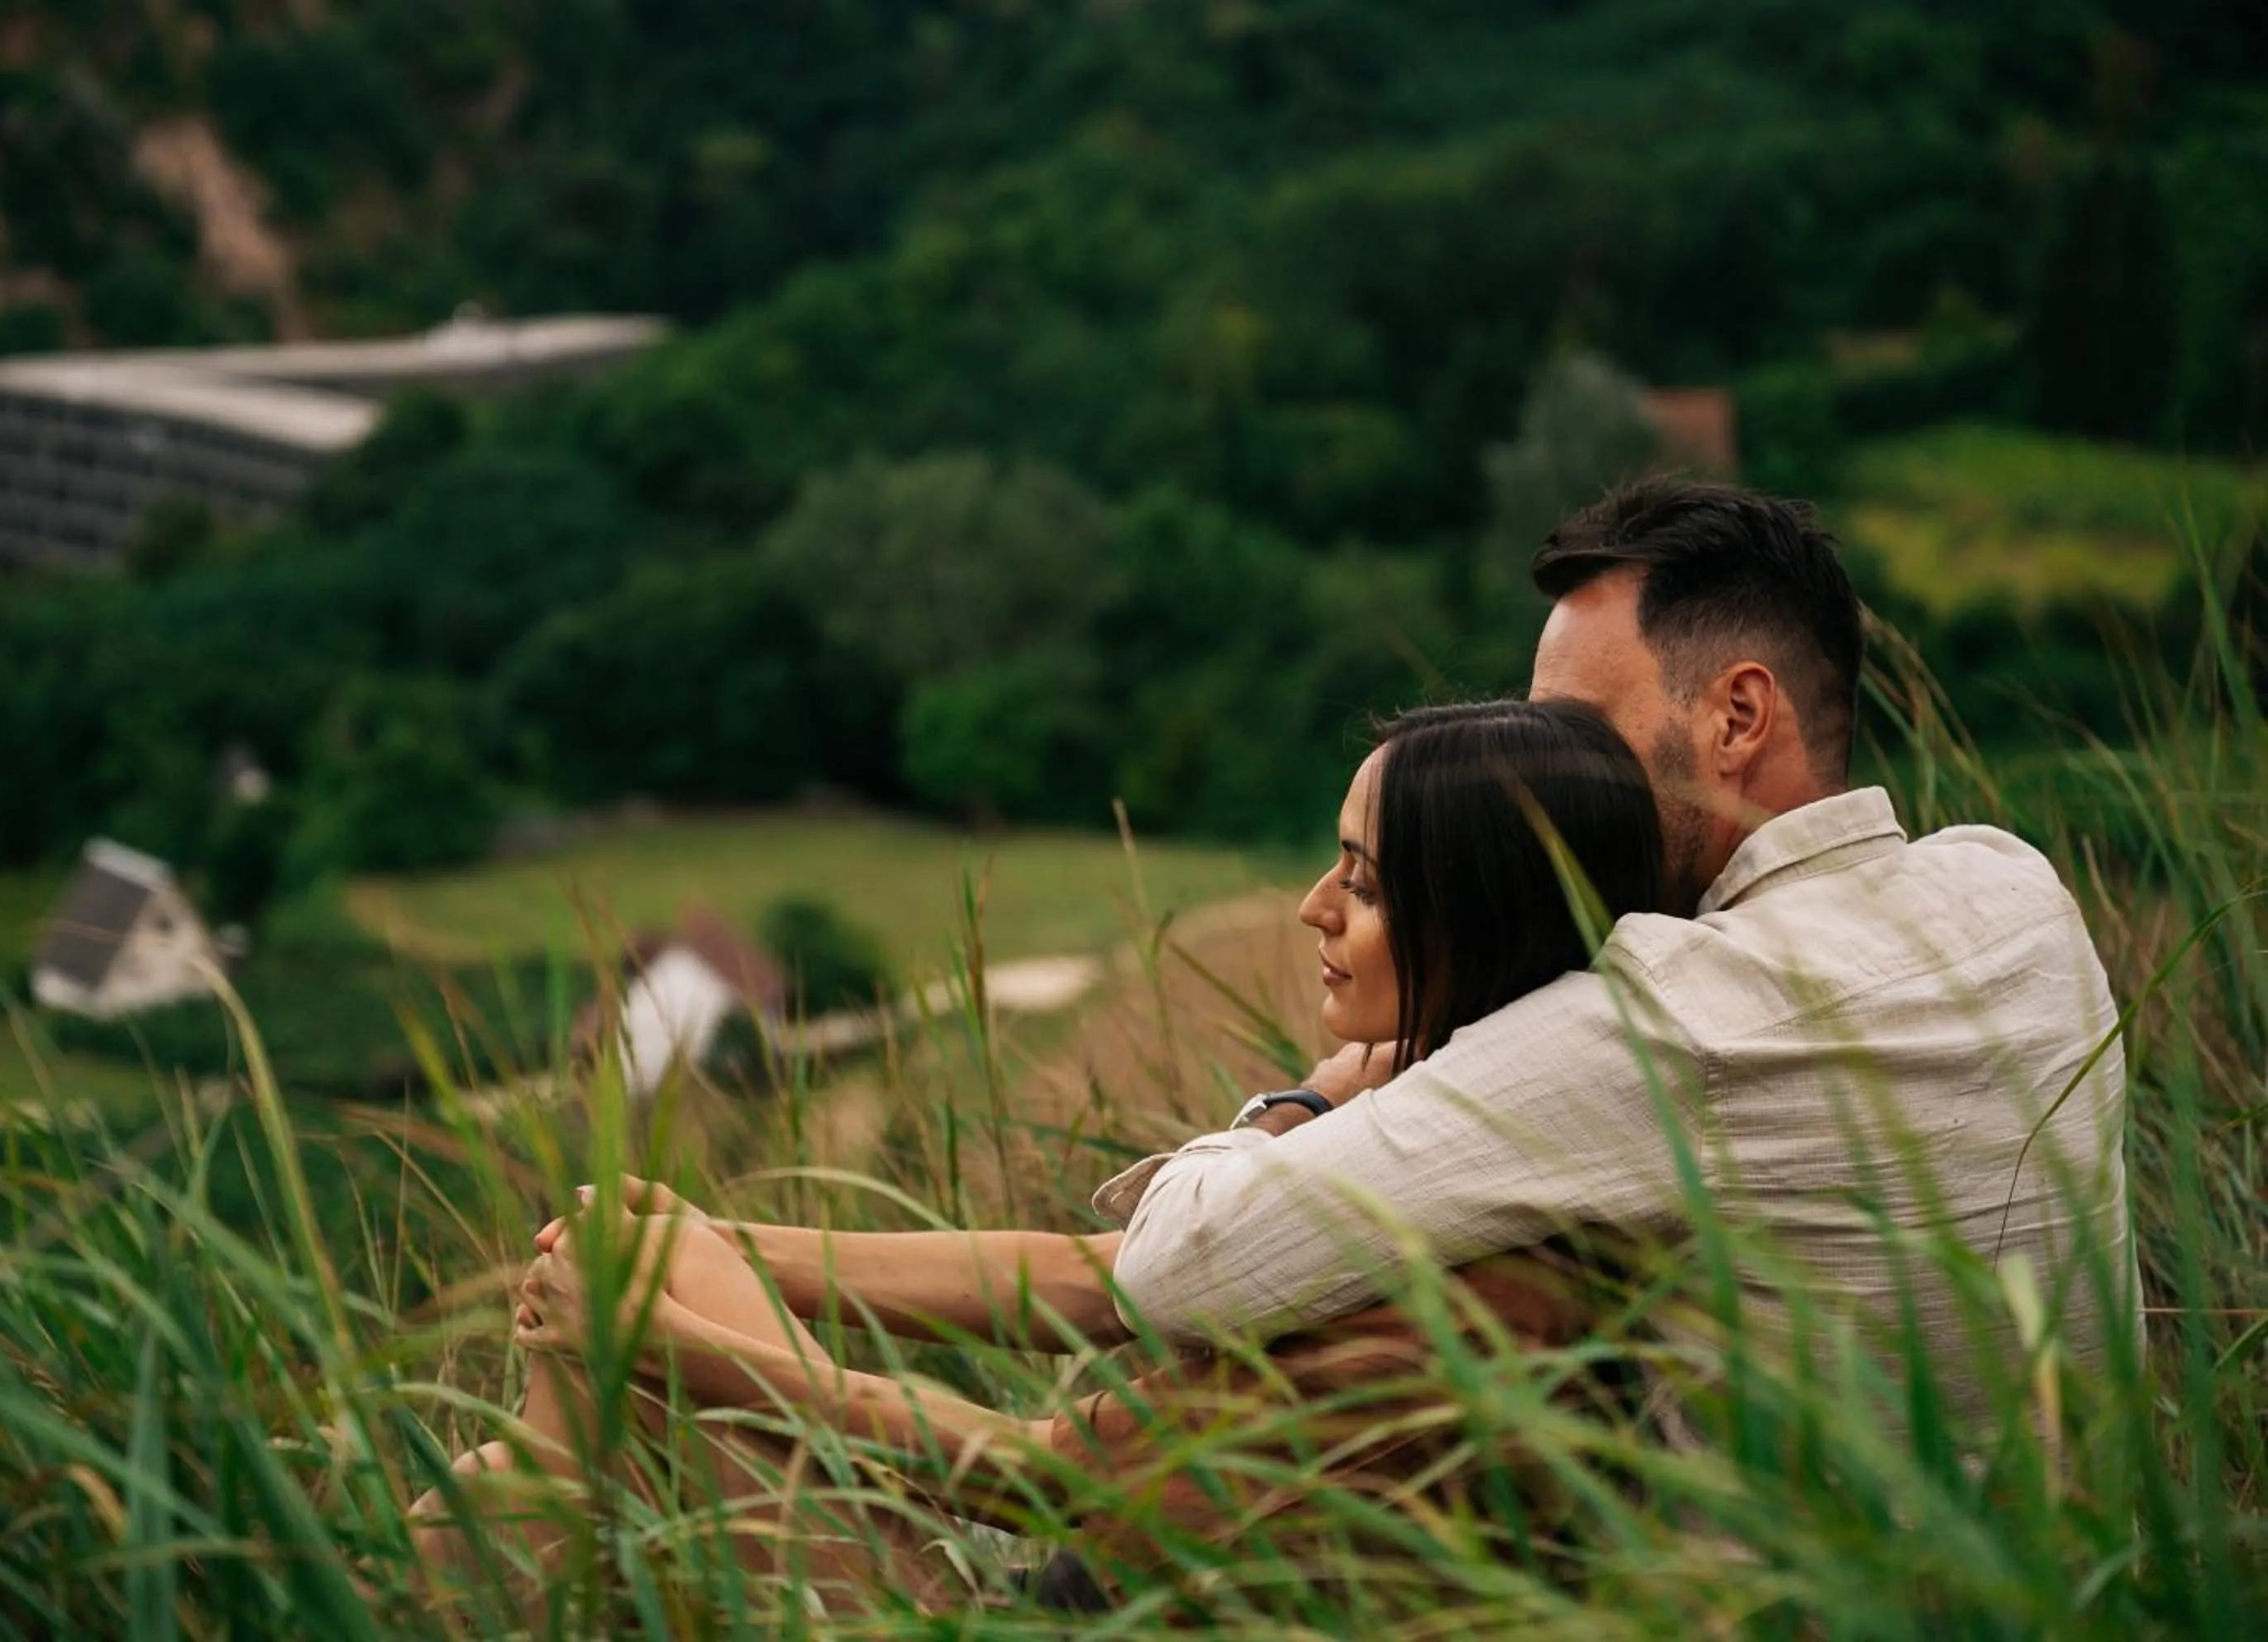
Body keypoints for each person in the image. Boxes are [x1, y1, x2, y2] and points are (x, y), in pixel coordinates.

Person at [407, 697, 1670, 1610]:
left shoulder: (1485, 1284)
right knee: (623, 1260)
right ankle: (511, 1520)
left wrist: (680, 1348)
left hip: (1006, 1616)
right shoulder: (1421, 1160)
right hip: (1039, 1586)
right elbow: (1094, 1274)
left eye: (1366, 881)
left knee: (503, 1488)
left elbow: (1047, 1482)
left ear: (1481, 926)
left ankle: (467, 1547)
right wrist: (711, 1250)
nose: (1313, 909)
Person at [1104, 478, 2137, 1428]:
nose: (1543, 772)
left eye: (1576, 729)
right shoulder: (2017, 886)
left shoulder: (1673, 1016)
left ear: (1738, 715)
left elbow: (1173, 1266)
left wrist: (1310, 1100)